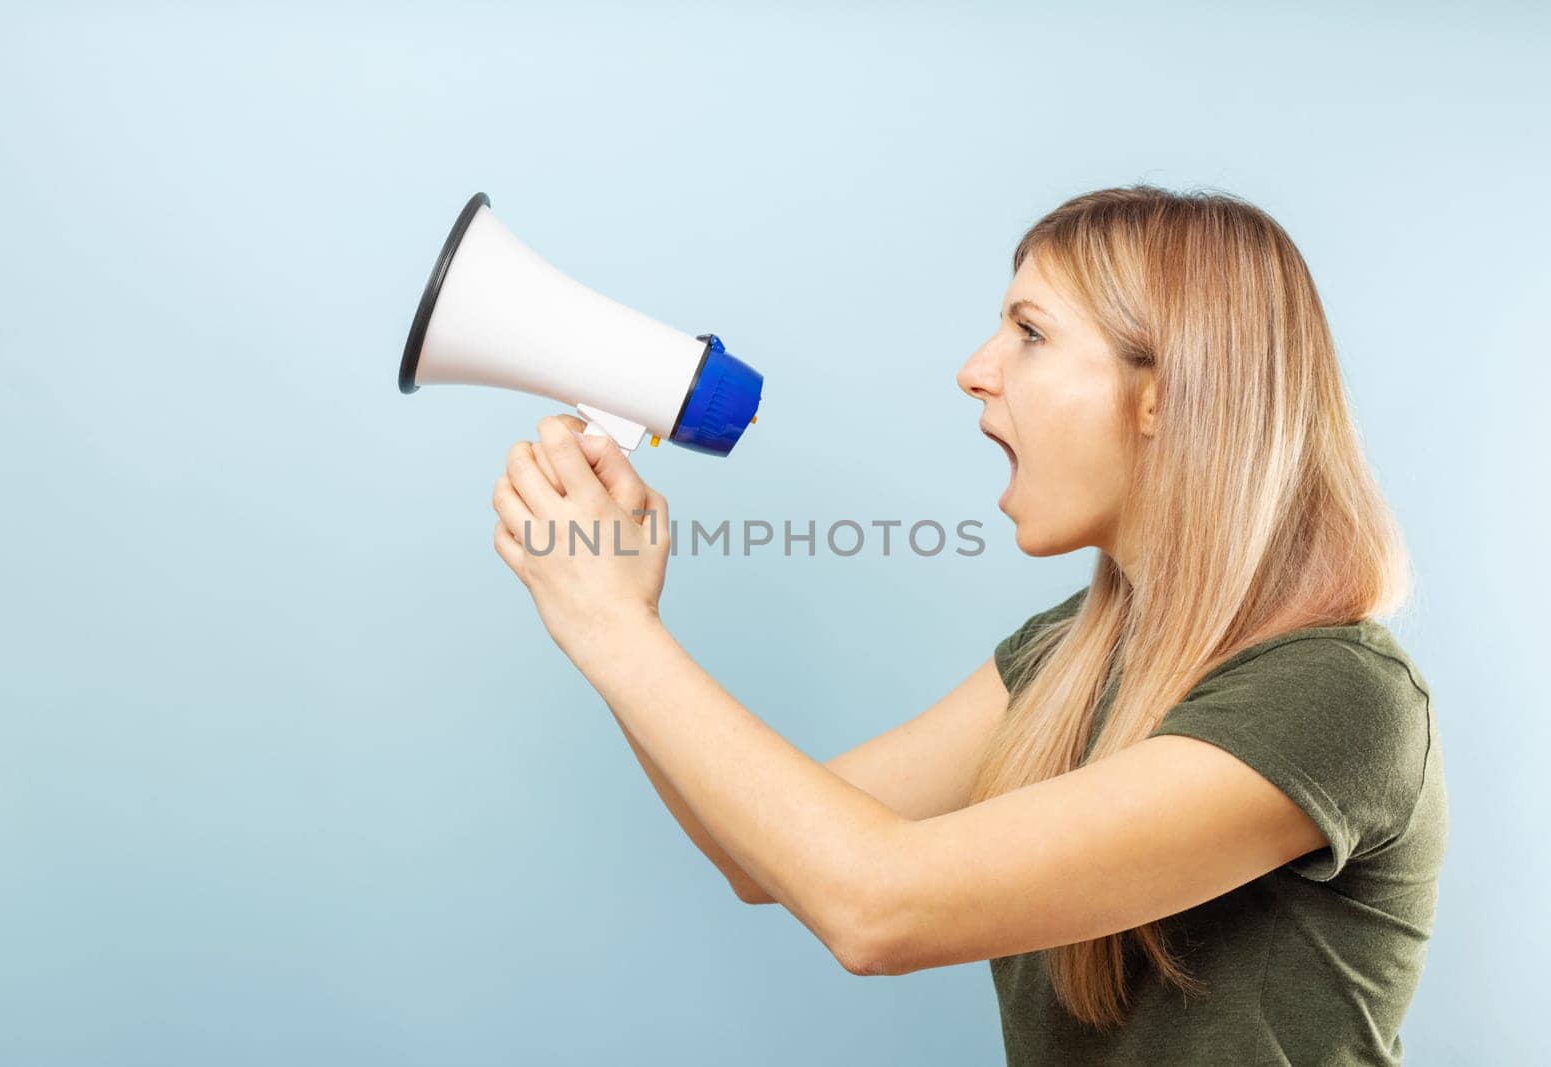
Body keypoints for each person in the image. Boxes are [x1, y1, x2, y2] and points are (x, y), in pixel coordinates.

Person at [488, 185, 1447, 1065]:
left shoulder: (1334, 695)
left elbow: (876, 904)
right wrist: (613, 621)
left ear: (1165, 393)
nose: (973, 371)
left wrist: (615, 628)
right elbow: (757, 856)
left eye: (1030, 332)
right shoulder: (1071, 652)